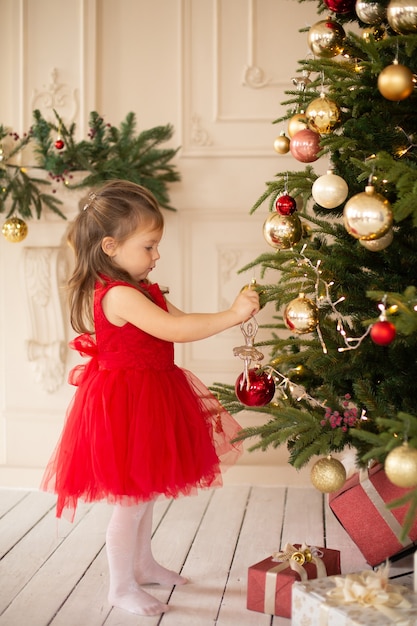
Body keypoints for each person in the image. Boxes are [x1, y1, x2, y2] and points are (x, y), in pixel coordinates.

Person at [41, 179, 260, 617]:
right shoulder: (120, 295)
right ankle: (120, 587)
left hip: (155, 394)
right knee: (131, 501)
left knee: (147, 492)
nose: (156, 256)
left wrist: (229, 314)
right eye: (149, 246)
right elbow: (175, 331)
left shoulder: (144, 288)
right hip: (127, 405)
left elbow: (187, 320)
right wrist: (233, 314)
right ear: (110, 246)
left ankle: (142, 563)